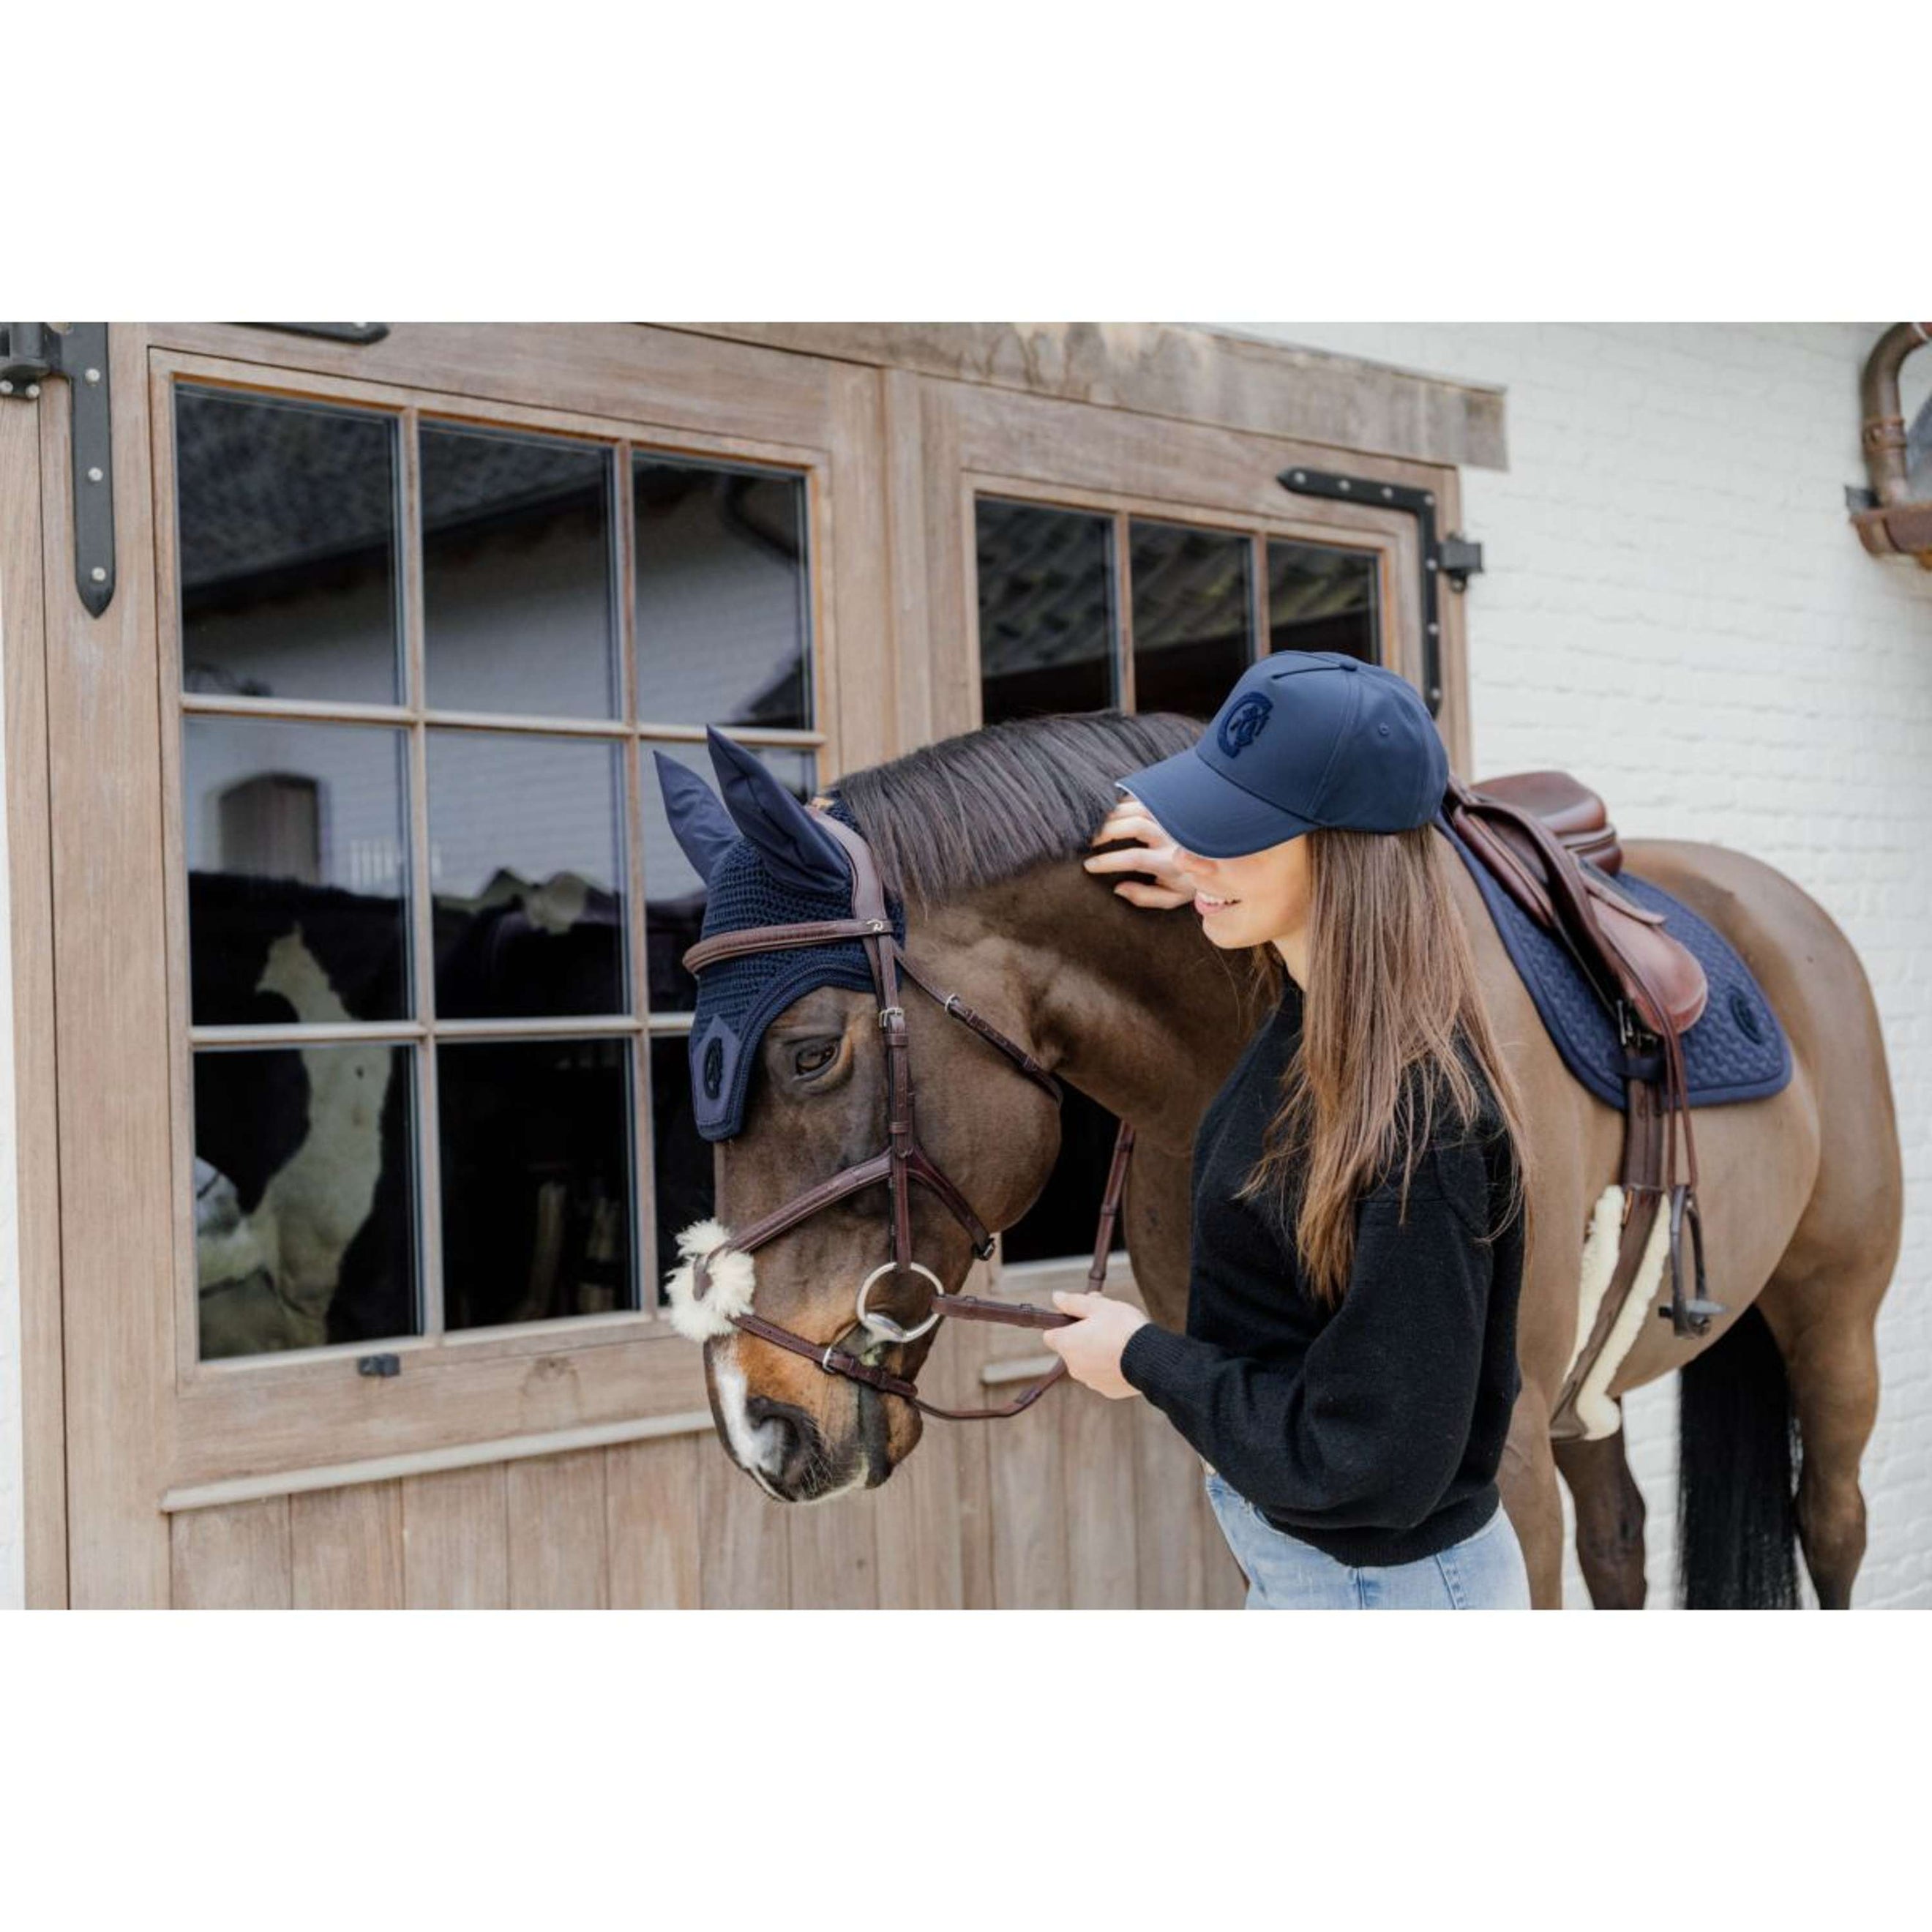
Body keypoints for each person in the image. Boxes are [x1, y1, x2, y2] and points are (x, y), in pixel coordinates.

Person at [1041, 651, 1536, 1609]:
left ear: (1344, 857)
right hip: (1315, 1575)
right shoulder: (1305, 1028)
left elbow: (1370, 1455)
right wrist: (1210, 879)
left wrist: (1143, 1358)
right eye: (1202, 822)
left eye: (1236, 834)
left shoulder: (1419, 1124)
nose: (1195, 859)